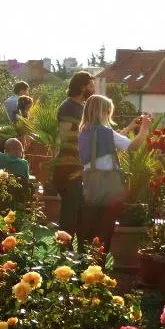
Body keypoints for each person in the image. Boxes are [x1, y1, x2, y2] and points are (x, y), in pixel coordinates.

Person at [78, 95, 152, 253]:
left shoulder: (85, 131)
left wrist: (131, 127)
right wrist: (144, 128)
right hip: (108, 183)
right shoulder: (106, 132)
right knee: (105, 228)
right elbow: (132, 146)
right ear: (102, 112)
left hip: (91, 183)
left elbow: (108, 144)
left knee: (90, 224)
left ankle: (84, 262)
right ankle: (99, 265)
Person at [53, 71, 95, 244]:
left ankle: (80, 254)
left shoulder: (83, 108)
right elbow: (66, 137)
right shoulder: (68, 107)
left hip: (80, 167)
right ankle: (63, 255)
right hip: (67, 168)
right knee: (69, 215)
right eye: (91, 85)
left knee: (81, 214)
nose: (93, 88)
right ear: (82, 86)